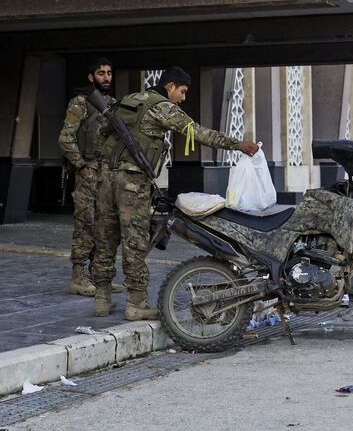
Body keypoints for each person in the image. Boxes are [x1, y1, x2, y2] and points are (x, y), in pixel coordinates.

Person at [90, 66, 259, 320]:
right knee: (134, 242)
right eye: (182, 91)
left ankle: (102, 299)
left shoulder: (130, 101)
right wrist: (238, 145)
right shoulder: (163, 107)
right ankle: (136, 303)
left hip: (105, 179)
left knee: (105, 237)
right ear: (169, 86)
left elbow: (100, 133)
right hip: (132, 183)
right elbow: (199, 133)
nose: (183, 98)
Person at [58, 57, 123, 296]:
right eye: (101, 73)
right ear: (91, 77)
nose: (106, 77)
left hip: (107, 173)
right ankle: (79, 277)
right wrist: (82, 168)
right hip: (88, 172)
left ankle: (100, 277)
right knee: (85, 224)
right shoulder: (81, 103)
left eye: (108, 72)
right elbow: (66, 138)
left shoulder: (113, 105)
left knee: (105, 227)